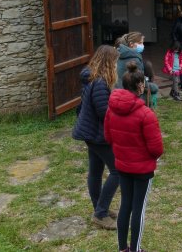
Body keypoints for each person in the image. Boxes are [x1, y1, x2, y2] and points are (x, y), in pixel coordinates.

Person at [104, 61, 164, 252]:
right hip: (142, 170)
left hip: (122, 165)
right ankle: (136, 249)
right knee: (138, 209)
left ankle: (123, 248)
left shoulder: (111, 108)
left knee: (125, 206)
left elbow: (108, 137)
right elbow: (156, 149)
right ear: (140, 86)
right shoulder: (146, 115)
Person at [72, 45, 120, 229]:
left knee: (96, 171)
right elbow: (104, 112)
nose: (116, 66)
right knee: (118, 171)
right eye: (114, 62)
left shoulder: (90, 77)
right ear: (108, 62)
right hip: (97, 134)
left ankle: (100, 208)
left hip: (90, 133)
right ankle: (100, 213)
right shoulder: (99, 83)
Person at [115, 32, 159, 107]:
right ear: (131, 44)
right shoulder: (135, 59)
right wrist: (154, 88)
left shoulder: (119, 55)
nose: (142, 46)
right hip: (133, 99)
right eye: (140, 43)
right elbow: (140, 83)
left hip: (119, 95)